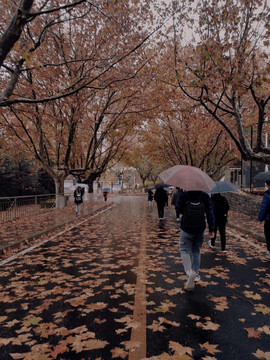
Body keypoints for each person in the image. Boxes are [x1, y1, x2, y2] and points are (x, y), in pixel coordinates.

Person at [176, 190, 215, 291]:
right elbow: (210, 213)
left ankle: (189, 272)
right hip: (199, 229)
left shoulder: (184, 194)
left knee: (184, 249)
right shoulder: (205, 196)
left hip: (186, 228)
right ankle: (196, 274)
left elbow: (178, 209)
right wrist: (211, 229)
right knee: (196, 251)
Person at [258, 180, 270, 257]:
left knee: (268, 235)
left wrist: (260, 218)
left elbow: (264, 207)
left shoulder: (267, 194)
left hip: (269, 219)